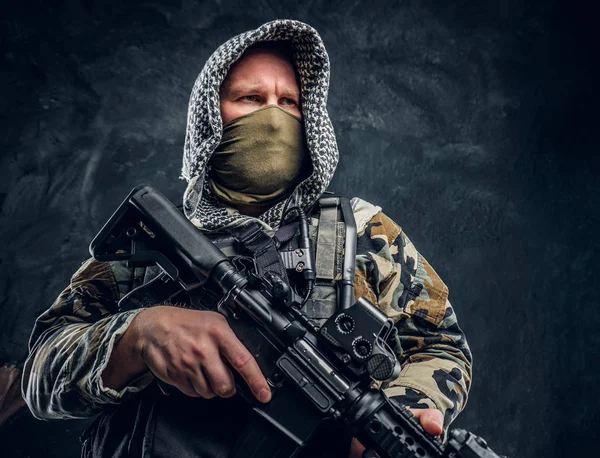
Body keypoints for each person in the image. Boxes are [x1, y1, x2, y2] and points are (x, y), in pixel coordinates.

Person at [22, 19, 472, 458]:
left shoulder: (366, 231)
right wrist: (139, 336)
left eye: (290, 102)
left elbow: (439, 345)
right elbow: (41, 375)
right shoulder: (146, 243)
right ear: (210, 117)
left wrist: (404, 411)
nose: (274, 117)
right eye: (251, 98)